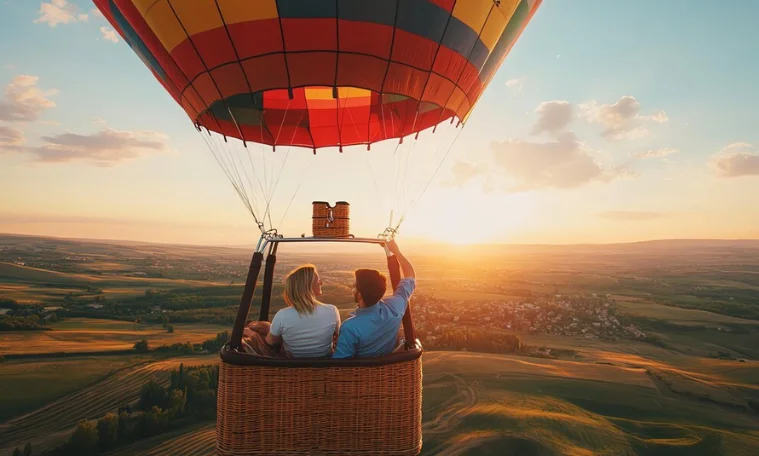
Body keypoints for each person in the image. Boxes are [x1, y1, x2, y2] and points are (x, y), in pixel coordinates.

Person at [332, 239, 415, 359]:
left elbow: (340, 364)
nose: (352, 288)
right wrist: (396, 251)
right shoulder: (394, 308)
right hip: (386, 369)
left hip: (362, 375)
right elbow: (410, 276)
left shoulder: (350, 327)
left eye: (354, 286)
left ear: (360, 295)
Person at [242, 264, 340, 358]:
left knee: (260, 327)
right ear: (307, 285)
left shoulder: (283, 315)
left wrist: (255, 335)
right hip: (324, 363)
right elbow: (339, 337)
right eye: (318, 280)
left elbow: (271, 343)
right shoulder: (332, 311)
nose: (321, 282)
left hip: (292, 364)